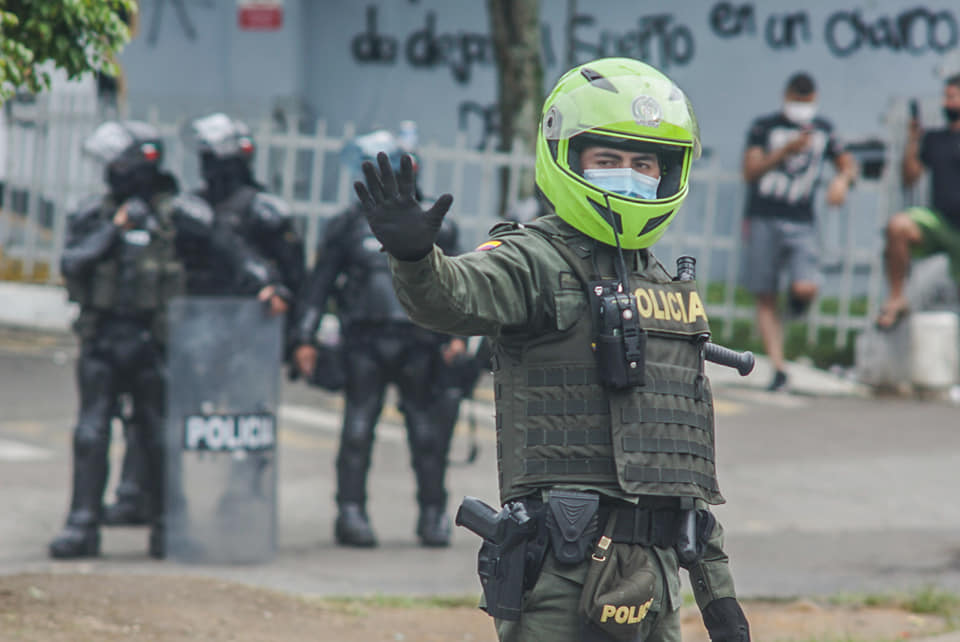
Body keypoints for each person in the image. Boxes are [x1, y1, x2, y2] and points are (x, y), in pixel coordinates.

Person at [354, 58, 750, 642]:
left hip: (659, 577)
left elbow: (682, 469)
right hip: (563, 573)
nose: (630, 175)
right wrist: (416, 259)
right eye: (608, 160)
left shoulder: (665, 285)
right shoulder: (535, 259)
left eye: (644, 163)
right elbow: (453, 297)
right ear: (567, 158)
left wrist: (720, 602)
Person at [50, 120, 278, 559]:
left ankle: (168, 526)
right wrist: (116, 229)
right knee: (90, 433)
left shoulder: (181, 215)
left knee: (159, 435)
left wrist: (265, 285)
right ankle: (82, 524)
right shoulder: (92, 214)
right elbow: (72, 262)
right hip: (101, 340)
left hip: (154, 344)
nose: (111, 171)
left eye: (118, 162)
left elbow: (230, 251)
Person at [102, 113, 303, 526]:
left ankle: (242, 497)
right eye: (204, 156)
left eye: (214, 157)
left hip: (247, 333)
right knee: (159, 414)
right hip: (189, 329)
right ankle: (142, 493)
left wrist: (296, 335)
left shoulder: (265, 211)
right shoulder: (185, 207)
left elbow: (295, 278)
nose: (208, 166)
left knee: (247, 419)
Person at [291, 127, 465, 548]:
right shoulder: (346, 227)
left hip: (419, 343)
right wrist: (304, 336)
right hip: (363, 343)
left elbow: (457, 283)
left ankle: (432, 512)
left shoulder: (436, 225)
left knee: (427, 434)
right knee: (356, 430)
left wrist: (456, 335)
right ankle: (350, 512)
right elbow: (320, 284)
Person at [741, 72, 857, 392]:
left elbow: (848, 163)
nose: (801, 107)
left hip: (801, 219)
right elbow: (749, 171)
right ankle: (778, 367)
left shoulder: (823, 129)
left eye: (806, 102)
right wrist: (784, 151)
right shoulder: (764, 127)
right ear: (786, 96)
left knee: (805, 285)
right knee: (765, 294)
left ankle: (794, 307)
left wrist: (841, 180)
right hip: (764, 216)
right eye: (797, 101)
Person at [876, 74, 960, 329]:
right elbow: (910, 177)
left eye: (952, 97)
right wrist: (913, 139)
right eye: (945, 96)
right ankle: (896, 298)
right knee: (898, 226)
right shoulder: (935, 139)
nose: (947, 103)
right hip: (940, 222)